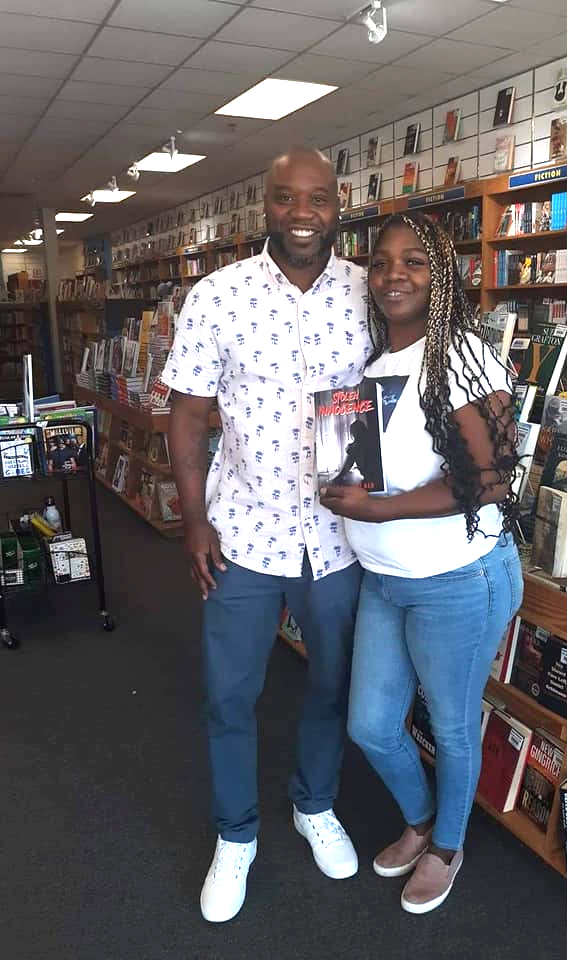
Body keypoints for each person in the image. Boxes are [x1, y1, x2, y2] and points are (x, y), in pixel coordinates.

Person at [162, 147, 371, 923]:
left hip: (341, 540)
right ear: (266, 206)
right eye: (287, 199)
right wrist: (192, 521)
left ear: (337, 204)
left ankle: (313, 805)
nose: (304, 214)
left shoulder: (368, 291)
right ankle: (236, 836)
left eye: (318, 199)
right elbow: (185, 412)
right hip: (243, 534)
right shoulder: (217, 296)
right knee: (229, 694)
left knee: (331, 683)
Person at [320, 212, 523, 914]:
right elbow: (387, 472)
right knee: (371, 726)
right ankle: (420, 820)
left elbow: (492, 480)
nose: (392, 274)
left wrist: (380, 510)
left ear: (441, 278)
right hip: (386, 579)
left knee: (454, 724)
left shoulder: (463, 355)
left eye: (413, 261)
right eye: (380, 263)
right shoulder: (374, 369)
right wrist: (347, 487)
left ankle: (448, 844)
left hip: (454, 579)